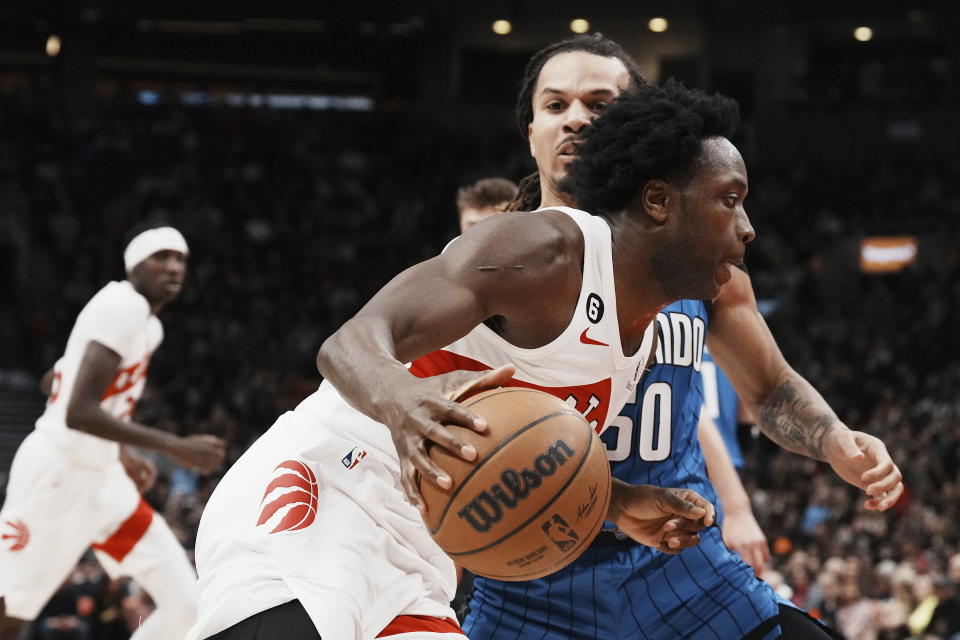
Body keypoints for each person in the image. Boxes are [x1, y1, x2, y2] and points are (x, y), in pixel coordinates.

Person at [187, 80, 752, 640]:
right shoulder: (547, 251)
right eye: (729, 200)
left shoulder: (643, 336)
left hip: (415, 555)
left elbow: (517, 450)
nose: (747, 229)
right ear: (658, 201)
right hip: (324, 490)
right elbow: (351, 341)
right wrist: (406, 404)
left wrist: (617, 501)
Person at [461, 33, 902, 639]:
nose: (577, 121)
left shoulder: (694, 259)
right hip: (533, 580)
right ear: (529, 130)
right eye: (555, 106)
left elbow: (770, 390)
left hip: (686, 567)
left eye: (599, 103)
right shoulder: (490, 263)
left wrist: (833, 439)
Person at [0, 224, 226, 640]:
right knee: (9, 614)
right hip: (57, 475)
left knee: (188, 606)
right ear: (134, 266)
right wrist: (178, 447)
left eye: (180, 259)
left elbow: (54, 380)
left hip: (104, 484)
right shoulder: (121, 304)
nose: (174, 266)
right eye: (161, 257)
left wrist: (119, 451)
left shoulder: (149, 328)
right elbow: (78, 412)